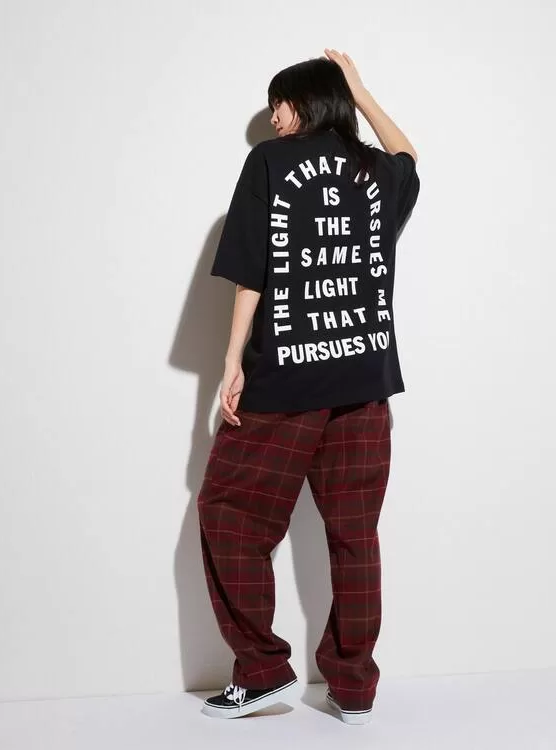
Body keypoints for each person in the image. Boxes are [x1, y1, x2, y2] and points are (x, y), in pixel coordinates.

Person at [196, 48, 420, 725]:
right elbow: (409, 155)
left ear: (308, 102)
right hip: (366, 381)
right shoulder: (375, 171)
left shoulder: (269, 161)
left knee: (230, 513)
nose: (273, 116)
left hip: (286, 381)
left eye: (281, 102)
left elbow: (252, 272)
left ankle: (262, 672)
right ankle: (354, 688)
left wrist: (233, 360)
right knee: (355, 535)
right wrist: (362, 92)